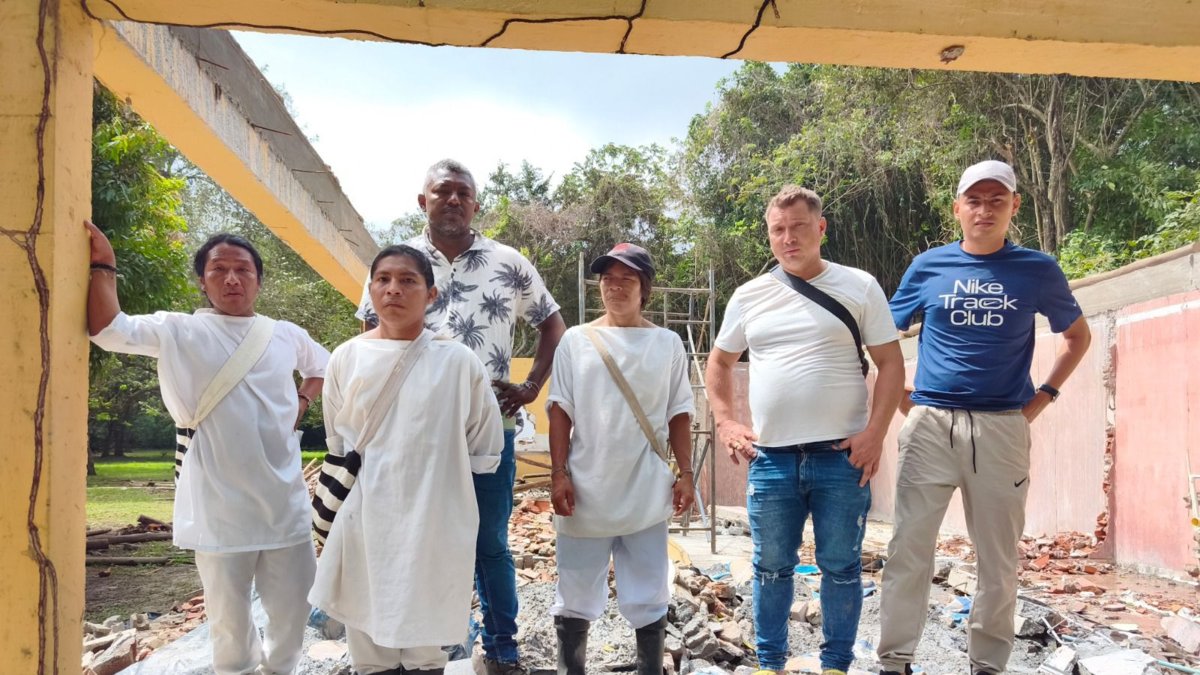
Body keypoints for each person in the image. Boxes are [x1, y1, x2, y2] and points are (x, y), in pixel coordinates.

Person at [877, 160, 1092, 675]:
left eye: (997, 200)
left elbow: (1077, 337)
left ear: (1014, 207)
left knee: (998, 561)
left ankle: (988, 665)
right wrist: (905, 400)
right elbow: (881, 333)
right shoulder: (928, 266)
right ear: (958, 209)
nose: (985, 209)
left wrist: (1042, 399)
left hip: (1001, 429)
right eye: (974, 200)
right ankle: (894, 661)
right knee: (909, 550)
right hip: (930, 428)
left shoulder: (1037, 269)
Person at [85, 221, 328, 675]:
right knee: (228, 619)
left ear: (258, 279)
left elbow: (323, 367)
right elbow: (107, 330)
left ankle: (282, 670)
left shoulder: (285, 333)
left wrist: (302, 401)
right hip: (217, 500)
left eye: (243, 269)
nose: (232, 279)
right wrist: (104, 264)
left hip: (284, 499)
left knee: (294, 607)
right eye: (219, 270)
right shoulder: (178, 331)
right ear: (203, 280)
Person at [355, 159, 565, 674]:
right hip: (411, 436)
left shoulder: (508, 262)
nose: (452, 200)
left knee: (489, 542)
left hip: (490, 431)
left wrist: (532, 386)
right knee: (415, 535)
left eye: (462, 193)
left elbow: (552, 324)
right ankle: (435, 644)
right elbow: (368, 333)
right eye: (441, 191)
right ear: (422, 201)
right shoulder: (398, 263)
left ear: (475, 203)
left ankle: (500, 648)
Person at [705, 186, 905, 675]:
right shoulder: (750, 295)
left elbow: (890, 363)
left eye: (798, 226)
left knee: (840, 568)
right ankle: (769, 664)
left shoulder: (859, 286)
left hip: (842, 457)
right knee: (771, 568)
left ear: (821, 229)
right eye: (778, 229)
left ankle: (836, 665)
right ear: (769, 236)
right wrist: (727, 421)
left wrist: (876, 433)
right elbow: (719, 362)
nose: (788, 237)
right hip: (771, 459)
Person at [310, 245, 504, 675]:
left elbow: (484, 447)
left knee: (426, 645)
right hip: (365, 520)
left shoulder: (458, 362)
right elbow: (339, 444)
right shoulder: (347, 357)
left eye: (408, 280)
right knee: (369, 634)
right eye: (383, 279)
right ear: (371, 290)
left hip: (435, 522)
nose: (393, 289)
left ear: (431, 294)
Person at [546, 243, 696, 675]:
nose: (615, 287)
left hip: (646, 489)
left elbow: (679, 414)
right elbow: (560, 411)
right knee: (574, 591)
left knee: (649, 591)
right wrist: (559, 474)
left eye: (626, 279)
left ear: (644, 288)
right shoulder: (576, 341)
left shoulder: (666, 344)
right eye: (608, 279)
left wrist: (686, 475)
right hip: (584, 490)